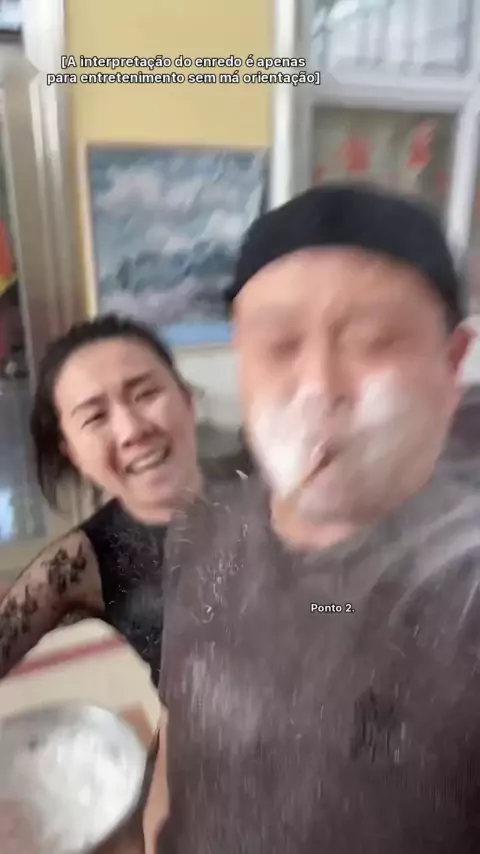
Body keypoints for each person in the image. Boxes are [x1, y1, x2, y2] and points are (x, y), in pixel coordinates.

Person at [147, 184, 480, 854]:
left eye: (373, 342)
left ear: (452, 365)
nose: (319, 387)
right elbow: (181, 719)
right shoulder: (200, 527)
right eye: (278, 346)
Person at [0, 314, 201, 685]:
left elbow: (322, 609)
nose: (132, 431)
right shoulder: (80, 561)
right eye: (94, 417)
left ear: (187, 400)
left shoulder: (271, 499)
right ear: (72, 453)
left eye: (146, 394)